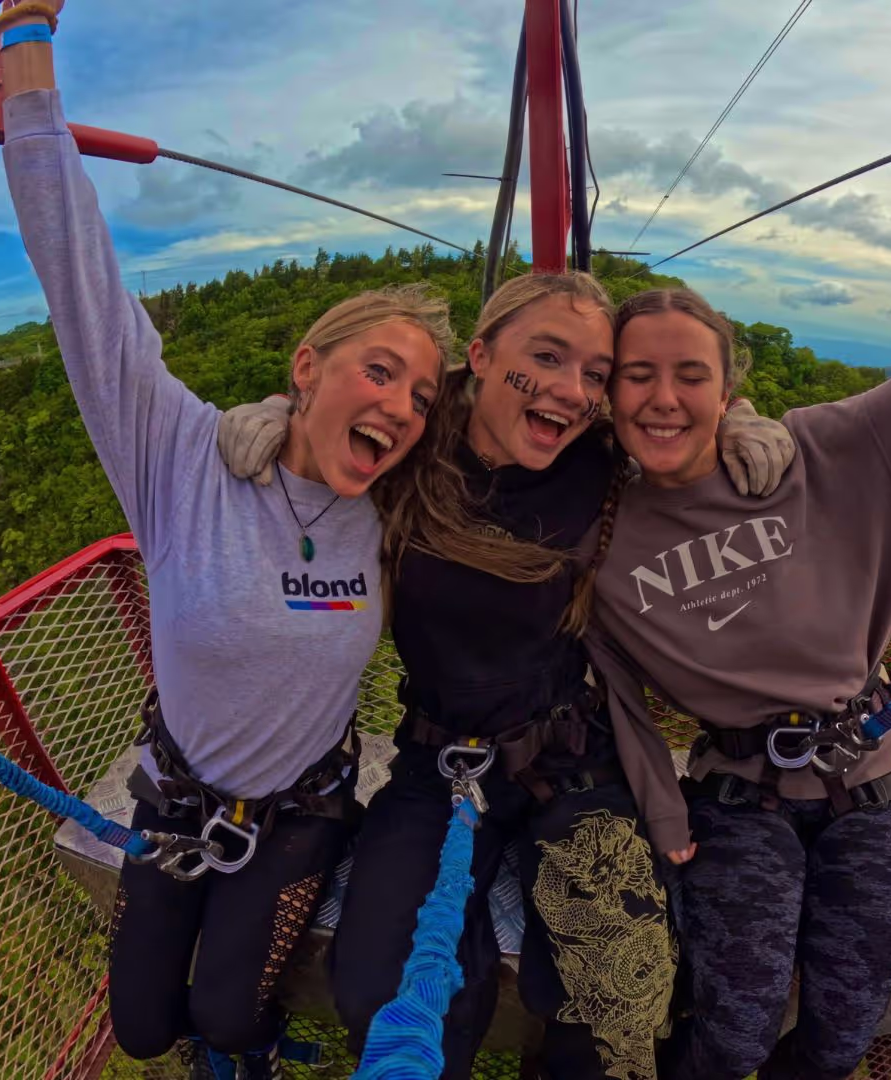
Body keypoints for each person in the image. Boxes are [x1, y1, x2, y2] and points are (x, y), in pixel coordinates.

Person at [0, 4, 461, 1077]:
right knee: (143, 1030)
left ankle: (252, 1052)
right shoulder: (183, 460)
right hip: (176, 798)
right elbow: (80, 287)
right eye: (379, 371)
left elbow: (542, 438)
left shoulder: (399, 507)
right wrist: (25, 45)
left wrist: (725, 429)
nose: (400, 406)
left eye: (422, 396)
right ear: (306, 368)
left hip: (301, 811)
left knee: (229, 1017)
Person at [218, 274, 796, 1080]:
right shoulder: (415, 449)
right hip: (441, 762)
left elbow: (671, 424)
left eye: (594, 374)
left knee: (616, 999)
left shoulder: (599, 456)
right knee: (381, 989)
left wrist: (736, 421)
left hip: (573, 756)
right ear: (482, 355)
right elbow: (349, 418)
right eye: (546, 357)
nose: (572, 390)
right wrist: (280, 415)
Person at [576, 287, 891, 1080]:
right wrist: (663, 811)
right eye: (638, 375)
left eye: (691, 376)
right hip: (740, 792)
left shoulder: (821, 456)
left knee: (840, 1042)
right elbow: (614, 692)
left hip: (868, 777)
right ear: (608, 394)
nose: (664, 398)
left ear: (727, 392)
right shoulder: (597, 533)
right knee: (733, 1037)